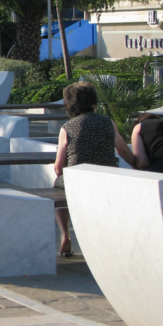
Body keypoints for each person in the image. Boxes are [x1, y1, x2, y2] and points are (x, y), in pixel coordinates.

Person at [53, 82, 134, 257]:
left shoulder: (67, 128)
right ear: (93, 102)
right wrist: (140, 167)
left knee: (59, 189)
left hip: (76, 183)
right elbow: (124, 151)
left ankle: (65, 233)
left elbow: (59, 168)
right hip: (106, 180)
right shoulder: (108, 123)